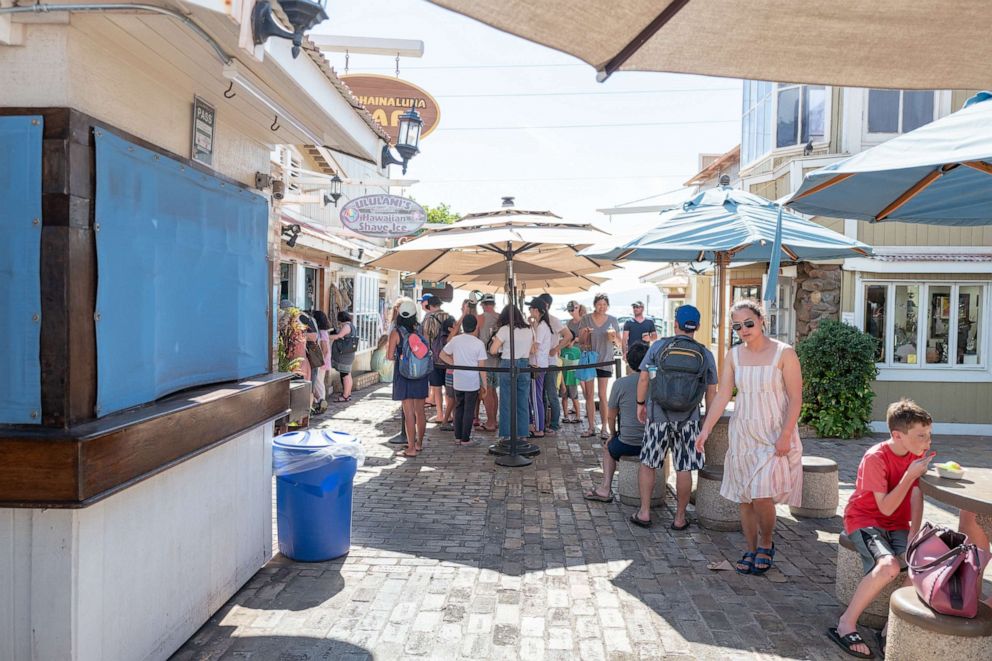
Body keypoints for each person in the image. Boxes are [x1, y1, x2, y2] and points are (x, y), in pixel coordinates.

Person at [695, 299, 804, 575]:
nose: (743, 329)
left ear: (762, 320)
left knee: (762, 494)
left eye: (748, 323)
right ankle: (750, 546)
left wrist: (786, 434)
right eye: (737, 326)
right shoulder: (734, 355)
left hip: (773, 432)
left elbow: (795, 398)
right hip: (743, 432)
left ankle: (766, 541)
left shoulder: (784, 353)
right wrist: (706, 429)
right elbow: (723, 394)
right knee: (745, 497)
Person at [826, 399, 934, 659]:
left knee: (919, 561)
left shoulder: (917, 453)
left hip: (897, 524)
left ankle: (890, 628)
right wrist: (909, 475)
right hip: (865, 519)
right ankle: (846, 623)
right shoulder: (876, 457)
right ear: (898, 435)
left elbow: (916, 495)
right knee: (888, 566)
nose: (927, 442)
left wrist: (913, 533)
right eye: (921, 435)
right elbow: (884, 508)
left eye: (929, 434)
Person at [633, 305, 717, 529]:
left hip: (658, 414)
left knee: (648, 463)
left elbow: (643, 379)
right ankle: (679, 518)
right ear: (697, 327)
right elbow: (711, 392)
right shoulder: (705, 353)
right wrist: (707, 420)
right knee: (684, 467)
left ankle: (644, 512)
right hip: (688, 419)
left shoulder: (659, 347)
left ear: (675, 324)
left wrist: (640, 404)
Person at [583, 344, 649, 504]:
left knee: (608, 449)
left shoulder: (620, 384)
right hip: (652, 442)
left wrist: (612, 434)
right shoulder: (657, 383)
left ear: (628, 361)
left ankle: (605, 488)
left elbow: (611, 416)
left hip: (628, 441)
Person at [387, 298, 429, 457]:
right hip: (421, 373)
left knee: (408, 412)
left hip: (403, 375)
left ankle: (410, 448)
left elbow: (390, 356)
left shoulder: (395, 333)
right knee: (420, 411)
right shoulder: (420, 330)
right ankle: (419, 444)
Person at [440, 315, 488, 446]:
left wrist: (454, 364)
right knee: (469, 410)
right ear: (476, 327)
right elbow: (481, 367)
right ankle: (465, 439)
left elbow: (442, 354)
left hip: (458, 379)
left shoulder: (456, 340)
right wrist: (485, 385)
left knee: (459, 407)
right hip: (471, 381)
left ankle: (457, 437)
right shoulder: (478, 343)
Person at [578, 293, 622, 440]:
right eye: (599, 304)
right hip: (590, 360)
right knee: (589, 395)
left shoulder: (613, 321)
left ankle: (604, 427)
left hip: (606, 360)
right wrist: (585, 332)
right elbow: (581, 342)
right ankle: (591, 427)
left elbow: (619, 343)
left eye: (604, 304)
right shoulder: (586, 319)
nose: (601, 307)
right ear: (594, 304)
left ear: (607, 306)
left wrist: (614, 337)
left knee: (603, 395)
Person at [490, 304, 533, 442]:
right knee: (522, 400)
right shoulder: (529, 329)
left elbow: (493, 350)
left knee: (506, 401)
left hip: (508, 364)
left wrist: (501, 346)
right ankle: (522, 433)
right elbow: (532, 349)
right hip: (524, 364)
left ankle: (506, 434)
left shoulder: (504, 329)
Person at [537, 293, 572, 433]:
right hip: (540, 362)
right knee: (542, 394)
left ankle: (554, 424)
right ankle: (544, 421)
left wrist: (556, 348)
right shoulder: (539, 321)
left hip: (551, 362)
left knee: (551, 393)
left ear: (546, 305)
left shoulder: (554, 320)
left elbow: (568, 335)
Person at [526, 298, 555, 438]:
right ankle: (537, 425)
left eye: (531, 308)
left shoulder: (542, 327)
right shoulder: (541, 325)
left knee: (535, 397)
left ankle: (538, 427)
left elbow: (534, 348)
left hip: (537, 365)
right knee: (535, 396)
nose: (529, 311)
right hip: (539, 364)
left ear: (536, 310)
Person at [421, 295, 450, 420]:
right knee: (448, 387)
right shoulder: (449, 316)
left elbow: (425, 339)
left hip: (434, 357)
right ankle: (450, 414)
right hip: (448, 357)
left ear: (430, 306)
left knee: (437, 387)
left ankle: (440, 414)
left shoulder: (429, 319)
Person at [475, 294, 501, 431]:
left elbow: (473, 337)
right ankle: (494, 420)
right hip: (499, 360)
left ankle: (490, 422)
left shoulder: (480, 318)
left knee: (487, 391)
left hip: (485, 360)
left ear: (483, 305)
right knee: (494, 392)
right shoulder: (501, 318)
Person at [328, 310, 356, 402]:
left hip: (345, 355)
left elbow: (339, 336)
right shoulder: (351, 325)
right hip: (348, 354)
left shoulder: (347, 326)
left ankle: (345, 396)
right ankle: (348, 394)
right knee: (347, 374)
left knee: (345, 375)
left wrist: (324, 337)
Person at [310, 310, 333, 413]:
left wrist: (320, 360)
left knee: (318, 382)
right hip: (321, 360)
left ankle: (321, 402)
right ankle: (319, 401)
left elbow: (325, 349)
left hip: (321, 361)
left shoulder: (322, 332)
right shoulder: (323, 331)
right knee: (318, 382)